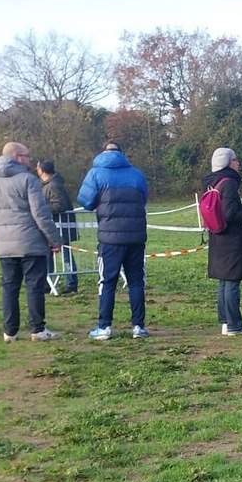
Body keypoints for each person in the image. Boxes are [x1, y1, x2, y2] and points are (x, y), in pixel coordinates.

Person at [0, 142, 64, 342]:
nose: (30, 160)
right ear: (16, 156)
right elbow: (40, 214)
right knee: (34, 286)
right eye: (27, 156)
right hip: (31, 242)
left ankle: (10, 332)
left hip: (4, 243)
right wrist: (55, 240)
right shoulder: (28, 180)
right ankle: (38, 329)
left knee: (9, 287)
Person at [76, 141, 150, 341]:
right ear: (122, 153)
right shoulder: (137, 174)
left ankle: (104, 326)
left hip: (109, 238)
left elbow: (86, 201)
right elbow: (144, 199)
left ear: (103, 153)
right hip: (135, 236)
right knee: (136, 282)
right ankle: (138, 326)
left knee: (107, 282)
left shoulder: (95, 174)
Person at [203, 147, 242, 335]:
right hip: (230, 239)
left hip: (217, 236)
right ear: (228, 163)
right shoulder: (229, 183)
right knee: (232, 282)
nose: (238, 163)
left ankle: (225, 322)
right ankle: (235, 325)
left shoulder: (212, 182)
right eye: (235, 160)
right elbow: (229, 214)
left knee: (224, 281)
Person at [36, 160, 78, 293]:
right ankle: (47, 283)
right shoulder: (47, 184)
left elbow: (60, 205)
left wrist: (42, 209)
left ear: (42, 170)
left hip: (60, 227)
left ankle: (71, 283)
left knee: (66, 255)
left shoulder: (54, 185)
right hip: (52, 226)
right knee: (48, 255)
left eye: (37, 168)